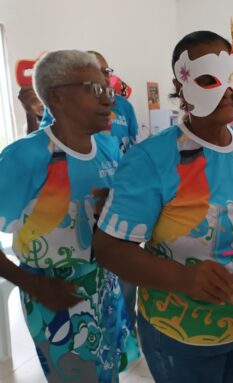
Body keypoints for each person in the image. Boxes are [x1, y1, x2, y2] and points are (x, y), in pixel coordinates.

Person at [93, 30, 233, 383]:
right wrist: (183, 278)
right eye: (209, 79)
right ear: (181, 88)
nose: (227, 89)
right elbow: (108, 248)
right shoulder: (152, 159)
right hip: (180, 335)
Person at [0, 50, 138, 382]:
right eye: (96, 88)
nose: (110, 98)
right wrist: (34, 284)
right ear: (57, 96)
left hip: (106, 285)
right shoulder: (27, 156)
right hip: (54, 293)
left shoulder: (105, 147)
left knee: (108, 373)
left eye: (109, 87)